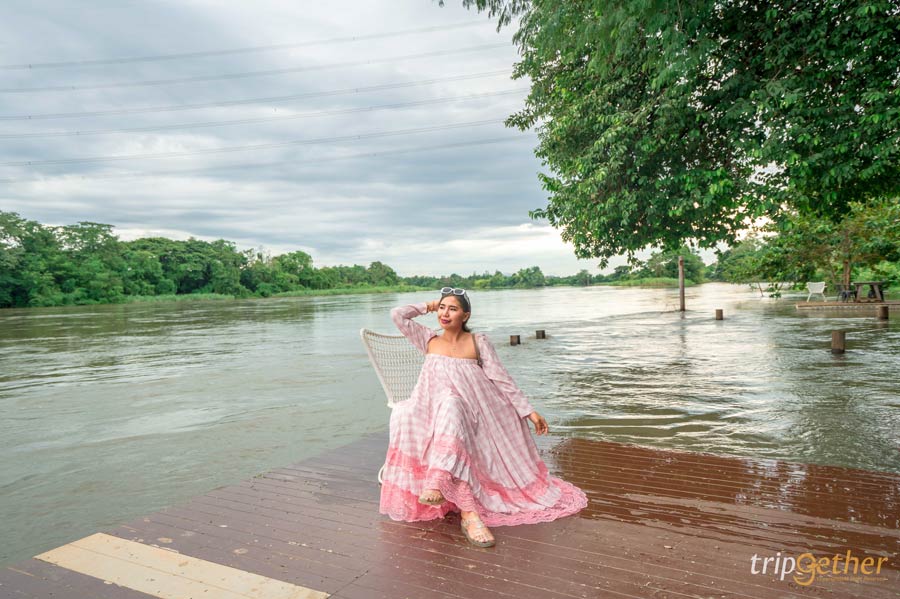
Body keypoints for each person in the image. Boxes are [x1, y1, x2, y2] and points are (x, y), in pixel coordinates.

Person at [379, 287, 588, 547]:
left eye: (453, 309)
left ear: (465, 315)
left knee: (453, 404)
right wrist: (430, 304)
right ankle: (459, 503)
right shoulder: (428, 339)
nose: (445, 313)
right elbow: (397, 314)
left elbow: (501, 378)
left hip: (473, 409)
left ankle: (442, 486)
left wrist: (528, 410)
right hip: (431, 409)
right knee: (446, 406)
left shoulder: (477, 342)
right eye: (442, 308)